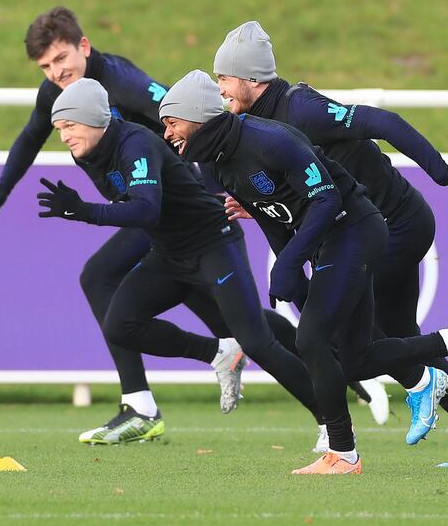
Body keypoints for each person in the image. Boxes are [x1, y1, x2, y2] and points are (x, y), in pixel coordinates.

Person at [158, 69, 448, 475]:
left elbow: (332, 190)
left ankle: (350, 444)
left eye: (171, 123)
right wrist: (293, 280)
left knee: (318, 339)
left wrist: (443, 172)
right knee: (354, 354)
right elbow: (274, 214)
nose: (167, 134)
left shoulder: (283, 124)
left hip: (365, 225)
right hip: (342, 231)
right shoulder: (218, 161)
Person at [0, 7, 300, 444]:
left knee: (103, 276)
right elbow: (28, 140)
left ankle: (144, 404)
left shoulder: (121, 82)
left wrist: (222, 180)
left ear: (84, 47)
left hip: (177, 206)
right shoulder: (59, 93)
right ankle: (329, 362)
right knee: (229, 315)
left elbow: (195, 117)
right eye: (45, 66)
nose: (55, 73)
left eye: (60, 59)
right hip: (154, 212)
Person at [37, 78, 335, 442]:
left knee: (257, 341)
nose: (64, 136)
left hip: (214, 245)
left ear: (93, 118)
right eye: (59, 129)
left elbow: (146, 210)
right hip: (169, 254)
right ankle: (219, 351)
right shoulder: (87, 151)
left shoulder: (137, 144)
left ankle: (330, 423)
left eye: (69, 125)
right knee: (120, 326)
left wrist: (84, 211)